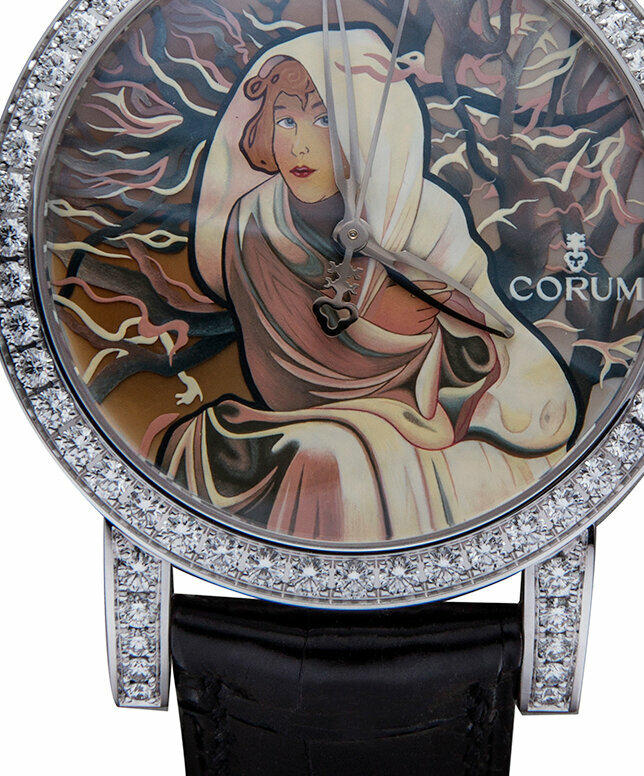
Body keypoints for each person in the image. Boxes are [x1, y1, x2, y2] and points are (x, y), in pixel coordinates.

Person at [154, 27, 578, 543]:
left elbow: (490, 342)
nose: (300, 144)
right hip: (308, 414)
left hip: (430, 411)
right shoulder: (253, 222)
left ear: (365, 128)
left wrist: (413, 330)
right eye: (285, 121)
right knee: (246, 448)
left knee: (327, 456)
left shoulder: (425, 214)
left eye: (325, 120)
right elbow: (278, 373)